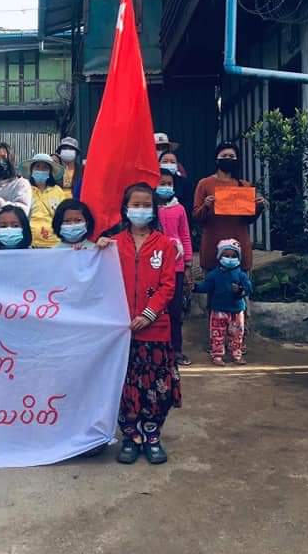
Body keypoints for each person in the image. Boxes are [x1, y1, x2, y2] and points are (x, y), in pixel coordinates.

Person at [97, 182, 180, 465]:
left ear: (154, 210)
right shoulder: (112, 244)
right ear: (125, 208)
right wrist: (97, 247)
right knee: (125, 385)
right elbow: (97, 279)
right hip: (120, 331)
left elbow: (168, 286)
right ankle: (130, 437)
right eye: (136, 204)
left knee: (155, 388)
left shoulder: (165, 244)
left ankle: (152, 435)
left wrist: (148, 314)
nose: (140, 209)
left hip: (155, 330)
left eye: (146, 205)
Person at [192, 141, 265, 272]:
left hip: (240, 249)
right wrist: (206, 206)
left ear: (237, 160)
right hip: (212, 249)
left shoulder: (244, 185)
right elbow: (196, 216)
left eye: (231, 156)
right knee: (215, 291)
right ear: (216, 159)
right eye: (224, 155)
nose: (227, 159)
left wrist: (259, 207)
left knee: (241, 291)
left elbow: (248, 220)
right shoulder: (204, 184)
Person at [155, 170, 193, 366]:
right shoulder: (151, 209)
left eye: (168, 183)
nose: (165, 186)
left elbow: (185, 235)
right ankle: (158, 350)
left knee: (175, 311)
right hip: (154, 264)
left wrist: (187, 263)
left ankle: (176, 350)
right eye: (161, 183)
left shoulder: (179, 209)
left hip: (176, 266)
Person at [195, 239, 252, 366]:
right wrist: (193, 287)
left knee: (237, 335)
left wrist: (240, 290)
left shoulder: (241, 275)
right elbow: (206, 287)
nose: (229, 258)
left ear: (239, 257)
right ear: (219, 256)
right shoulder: (214, 275)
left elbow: (248, 289)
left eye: (233, 256)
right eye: (226, 255)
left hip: (237, 310)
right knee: (217, 334)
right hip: (218, 310)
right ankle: (217, 355)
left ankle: (237, 354)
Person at [23, 153, 69, 249]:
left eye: (45, 168)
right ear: (31, 170)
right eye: (37, 167)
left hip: (55, 244)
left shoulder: (58, 191)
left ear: (50, 172)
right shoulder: (24, 189)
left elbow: (64, 216)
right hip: (30, 243)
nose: (41, 170)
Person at [159, 150, 194, 226]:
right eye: (165, 161)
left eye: (172, 162)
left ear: (177, 165)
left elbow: (188, 207)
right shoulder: (153, 181)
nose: (169, 164)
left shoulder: (186, 183)